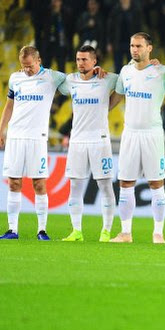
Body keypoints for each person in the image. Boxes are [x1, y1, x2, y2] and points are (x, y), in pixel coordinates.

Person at [110, 33, 165, 244]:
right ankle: (125, 232)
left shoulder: (162, 72)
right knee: (125, 182)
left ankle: (158, 233)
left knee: (156, 183)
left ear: (149, 48)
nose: (134, 49)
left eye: (139, 46)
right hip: (130, 133)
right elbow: (115, 97)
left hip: (152, 134)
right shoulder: (125, 71)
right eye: (132, 45)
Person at [0, 46, 67, 240]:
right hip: (16, 137)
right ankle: (12, 230)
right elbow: (9, 105)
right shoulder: (15, 78)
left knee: (39, 184)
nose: (26, 70)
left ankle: (42, 230)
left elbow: (76, 80)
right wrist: (1, 130)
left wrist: (95, 72)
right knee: (14, 182)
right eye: (23, 66)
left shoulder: (53, 77)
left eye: (29, 66)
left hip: (37, 138)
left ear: (39, 60)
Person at [56, 45, 119, 242]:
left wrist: (109, 104)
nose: (80, 63)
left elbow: (127, 81)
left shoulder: (107, 79)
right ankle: (76, 231)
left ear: (94, 62)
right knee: (75, 186)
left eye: (84, 60)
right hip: (77, 141)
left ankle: (106, 231)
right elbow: (49, 81)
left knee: (105, 186)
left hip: (99, 141)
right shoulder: (70, 80)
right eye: (78, 59)